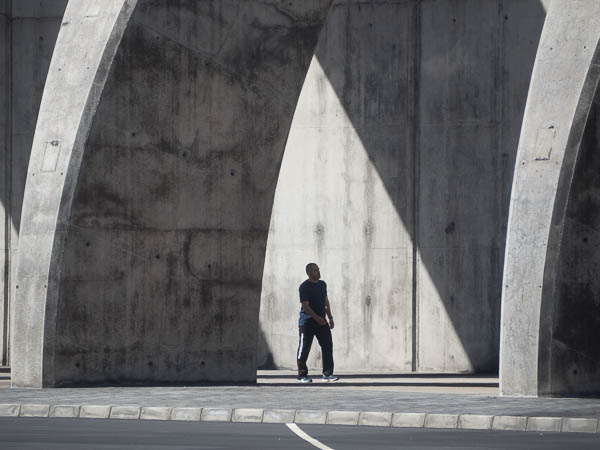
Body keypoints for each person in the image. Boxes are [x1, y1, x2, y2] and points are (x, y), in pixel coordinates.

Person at [296, 263, 339, 383]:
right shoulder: (304, 287)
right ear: (309, 273)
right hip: (307, 322)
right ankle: (302, 375)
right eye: (315, 270)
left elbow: (326, 302)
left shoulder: (322, 284)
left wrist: (330, 317)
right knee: (304, 348)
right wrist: (316, 317)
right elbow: (305, 305)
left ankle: (327, 374)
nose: (318, 272)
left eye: (318, 269)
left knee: (327, 346)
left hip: (322, 322)